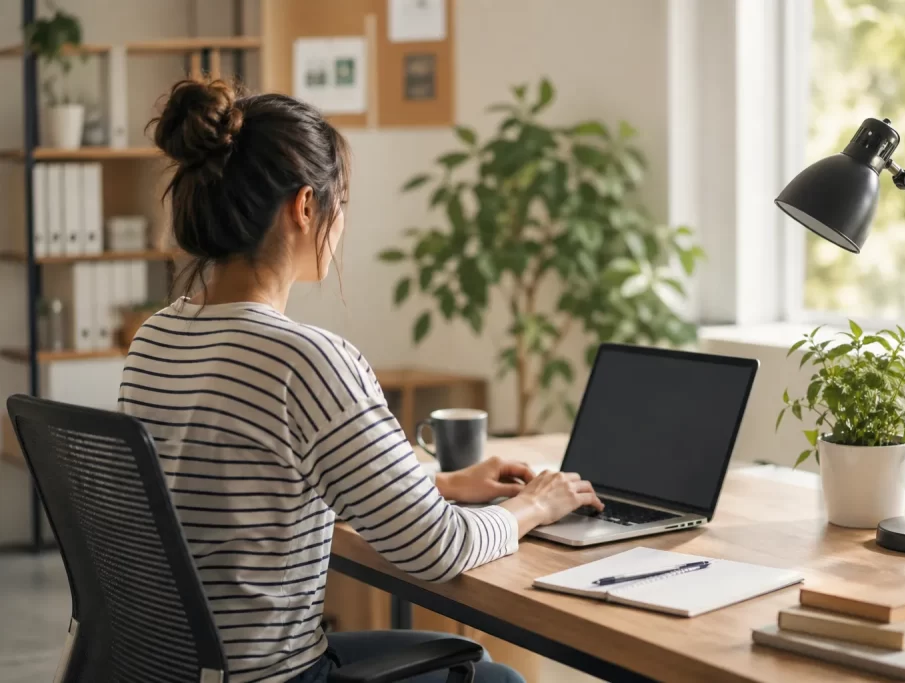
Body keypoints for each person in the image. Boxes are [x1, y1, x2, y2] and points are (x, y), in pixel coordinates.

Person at [118, 79, 604, 683]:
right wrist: (535, 505)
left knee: (472, 663)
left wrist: (443, 482)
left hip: (177, 669)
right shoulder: (307, 360)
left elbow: (251, 486)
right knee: (496, 678)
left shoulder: (157, 336)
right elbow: (438, 551)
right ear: (304, 207)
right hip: (272, 674)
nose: (341, 221)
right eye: (338, 202)